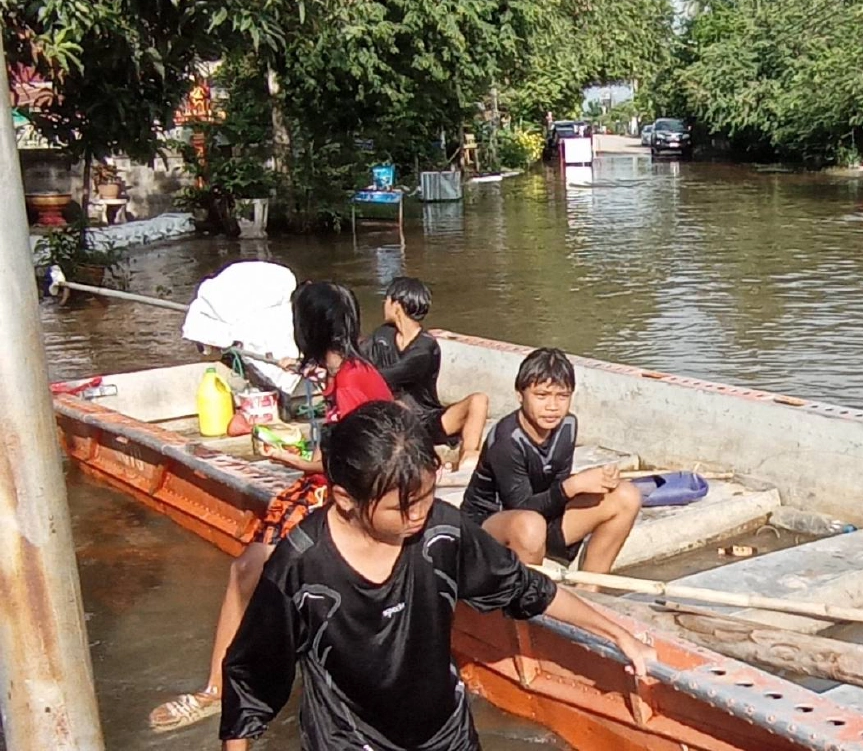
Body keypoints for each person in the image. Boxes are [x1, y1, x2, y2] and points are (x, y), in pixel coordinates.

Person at [219, 401, 653, 751]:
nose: (419, 514)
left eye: (427, 496)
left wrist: (616, 634)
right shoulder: (300, 567)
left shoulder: (442, 533)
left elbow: (526, 588)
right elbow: (250, 684)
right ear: (345, 499)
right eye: (402, 507)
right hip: (349, 740)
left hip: (446, 734)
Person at [148, 281, 394, 732]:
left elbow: (359, 460)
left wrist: (282, 455)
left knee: (246, 570)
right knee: (253, 569)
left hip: (343, 496)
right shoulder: (348, 371)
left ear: (307, 328)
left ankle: (215, 690)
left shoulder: (353, 382)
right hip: (332, 487)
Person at [464, 348, 642, 575]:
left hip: (542, 516)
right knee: (530, 525)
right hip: (491, 524)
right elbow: (521, 507)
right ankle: (528, 602)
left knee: (627, 496)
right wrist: (573, 486)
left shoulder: (567, 426)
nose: (552, 406)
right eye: (541, 396)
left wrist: (596, 483)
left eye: (562, 396)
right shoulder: (506, 440)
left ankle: (590, 587)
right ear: (520, 395)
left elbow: (556, 490)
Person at [365, 276, 490, 470]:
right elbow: (358, 355)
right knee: (395, 405)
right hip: (394, 418)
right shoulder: (382, 335)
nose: (385, 305)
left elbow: (398, 373)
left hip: (428, 419)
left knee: (478, 400)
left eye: (387, 300)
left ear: (396, 305)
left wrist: (365, 376)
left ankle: (469, 456)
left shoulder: (425, 347)